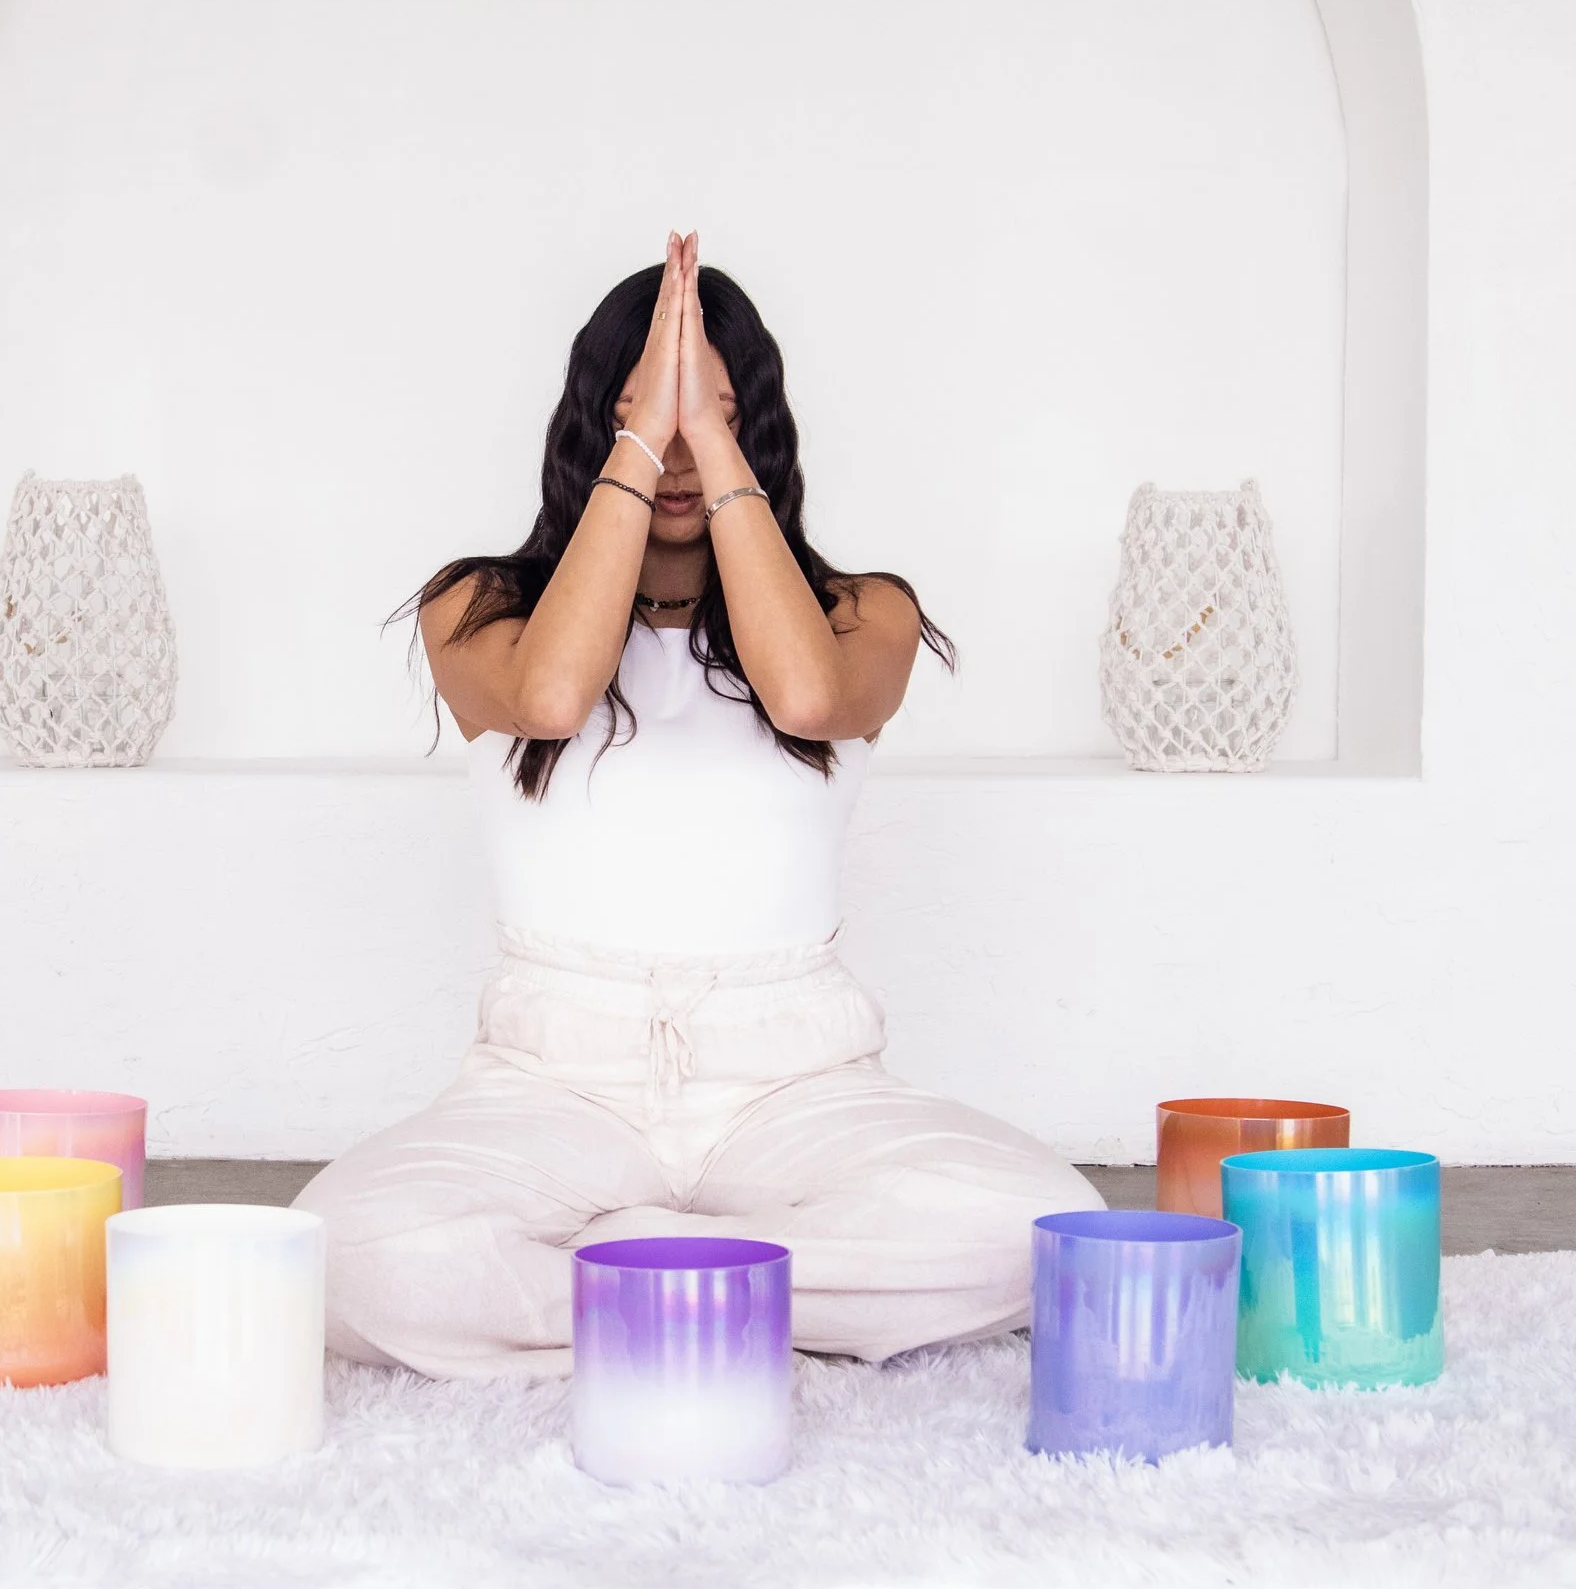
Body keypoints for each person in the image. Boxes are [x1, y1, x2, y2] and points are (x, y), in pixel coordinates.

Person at [292, 232, 1103, 1379]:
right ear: (594, 428)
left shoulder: (863, 612)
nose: (673, 451)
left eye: (711, 414)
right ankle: (743, 1288)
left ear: (754, 426)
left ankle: (623, 1277)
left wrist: (708, 440)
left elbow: (807, 693)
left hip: (792, 1077)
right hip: (554, 1077)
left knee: (1034, 1232)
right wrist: (648, 435)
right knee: (351, 1254)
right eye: (640, 415)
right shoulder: (475, 606)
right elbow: (554, 694)